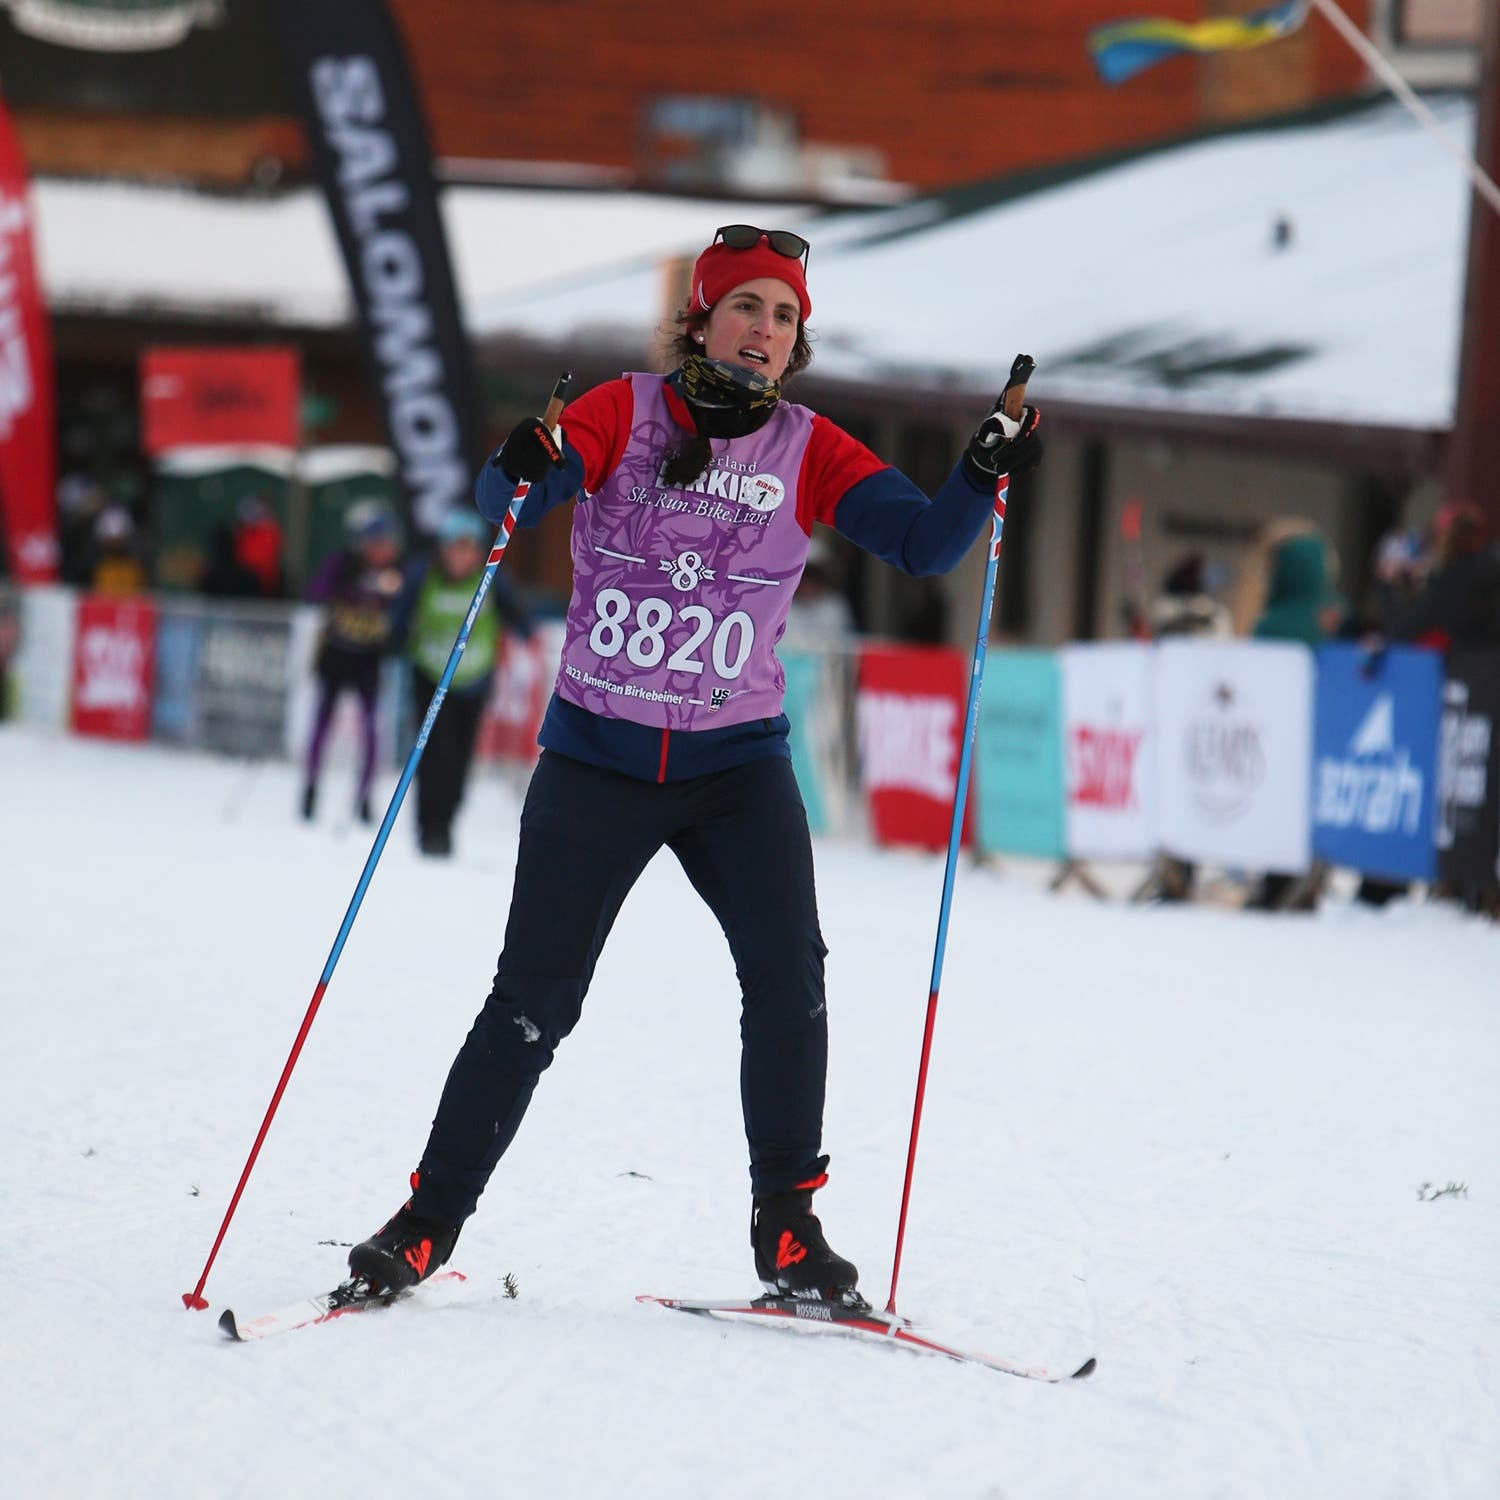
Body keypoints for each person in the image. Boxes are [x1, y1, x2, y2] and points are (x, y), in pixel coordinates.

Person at [347, 224, 1043, 1303]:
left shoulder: (810, 447)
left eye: (785, 315)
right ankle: (428, 1221)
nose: (766, 330)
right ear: (703, 317)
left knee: (789, 979)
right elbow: (506, 502)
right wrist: (520, 464)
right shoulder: (626, 409)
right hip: (598, 759)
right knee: (532, 1002)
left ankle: (790, 1229)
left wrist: (978, 474)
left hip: (734, 771)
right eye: (748, 307)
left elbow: (926, 546)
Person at [392, 509, 534, 856]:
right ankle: (429, 828)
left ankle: (448, 821)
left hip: (473, 678)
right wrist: (391, 643)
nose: (461, 557)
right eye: (455, 548)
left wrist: (524, 629)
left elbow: (517, 615)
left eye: (469, 549)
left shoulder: (491, 578)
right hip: (430, 674)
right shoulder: (423, 574)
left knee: (459, 757)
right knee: (433, 754)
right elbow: (399, 616)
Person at [300, 500, 404, 824]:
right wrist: (352, 586)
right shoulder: (343, 563)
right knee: (322, 723)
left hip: (368, 659)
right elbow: (314, 593)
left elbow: (404, 610)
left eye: (387, 544)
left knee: (371, 730)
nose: (382, 551)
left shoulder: (395, 571)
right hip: (336, 653)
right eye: (376, 544)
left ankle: (364, 798)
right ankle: (311, 788)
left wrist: (390, 595)